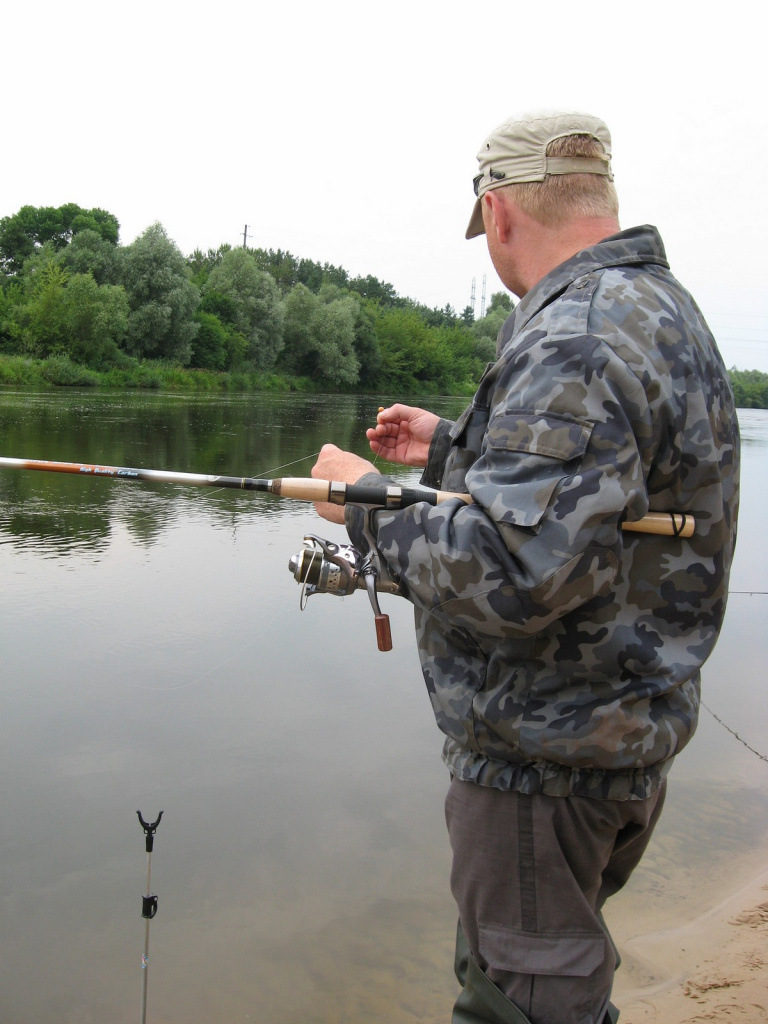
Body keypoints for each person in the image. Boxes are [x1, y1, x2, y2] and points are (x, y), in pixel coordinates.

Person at [311, 111, 740, 1024]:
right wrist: (454, 449)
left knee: (524, 1004)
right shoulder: (662, 309)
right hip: (621, 745)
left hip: (543, 765)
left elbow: (516, 573)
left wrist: (363, 503)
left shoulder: (572, 334)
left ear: (498, 212)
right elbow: (607, 508)